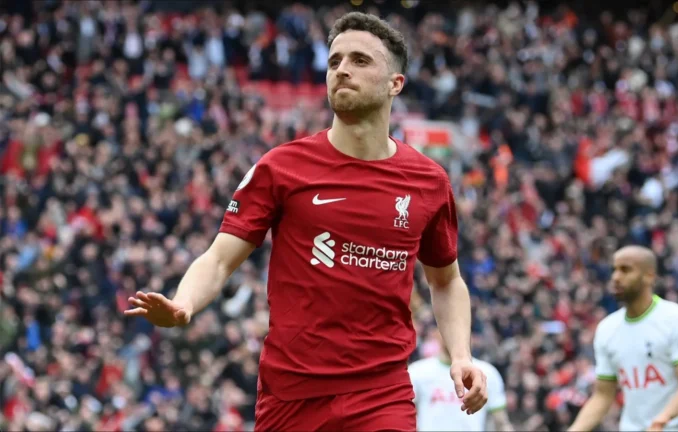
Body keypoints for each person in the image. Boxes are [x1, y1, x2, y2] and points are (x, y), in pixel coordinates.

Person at [124, 11, 488, 431]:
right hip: (291, 397)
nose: (342, 69)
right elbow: (220, 258)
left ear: (396, 84)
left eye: (360, 60)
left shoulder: (428, 181)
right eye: (335, 61)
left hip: (381, 395)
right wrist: (185, 303)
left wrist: (461, 355)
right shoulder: (282, 167)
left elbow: (446, 281)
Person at [568, 245, 678, 432]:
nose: (616, 277)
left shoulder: (677, 320)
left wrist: (661, 420)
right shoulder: (607, 329)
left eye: (626, 270)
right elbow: (603, 396)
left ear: (649, 276)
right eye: (614, 269)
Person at [409, 331, 514, 431]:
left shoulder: (487, 372)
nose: (454, 336)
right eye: (449, 330)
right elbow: (407, 414)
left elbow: (501, 422)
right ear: (437, 334)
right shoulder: (418, 371)